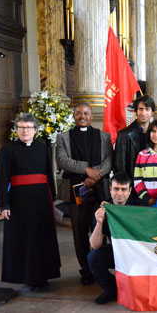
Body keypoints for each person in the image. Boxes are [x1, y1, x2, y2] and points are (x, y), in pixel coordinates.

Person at [0, 113, 60, 290]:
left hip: (41, 200)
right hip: (19, 202)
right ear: (16, 129)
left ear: (36, 130)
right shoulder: (7, 150)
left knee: (42, 237)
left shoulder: (42, 148)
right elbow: (2, 179)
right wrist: (4, 204)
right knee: (25, 239)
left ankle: (44, 275)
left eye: (28, 127)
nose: (24, 131)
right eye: (21, 127)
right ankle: (27, 277)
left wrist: (53, 196)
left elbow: (48, 174)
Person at [56, 103, 113, 285]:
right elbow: (63, 160)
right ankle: (86, 271)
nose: (82, 116)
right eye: (79, 113)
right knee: (79, 233)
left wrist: (93, 176)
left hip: (99, 190)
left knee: (99, 229)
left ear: (91, 116)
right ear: (74, 116)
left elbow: (108, 161)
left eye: (86, 113)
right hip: (75, 192)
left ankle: (99, 268)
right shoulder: (63, 137)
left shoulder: (103, 136)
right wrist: (86, 170)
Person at [88, 173, 143, 305]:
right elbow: (95, 245)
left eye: (123, 189)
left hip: (138, 253)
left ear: (130, 191)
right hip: (116, 251)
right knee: (93, 256)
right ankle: (111, 289)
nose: (119, 193)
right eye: (116, 189)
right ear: (110, 189)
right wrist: (100, 222)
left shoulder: (140, 207)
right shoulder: (104, 209)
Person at [113, 95, 155, 184]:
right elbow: (120, 167)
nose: (143, 113)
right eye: (140, 109)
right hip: (132, 185)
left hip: (153, 185)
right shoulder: (123, 135)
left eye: (147, 109)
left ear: (152, 112)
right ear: (135, 111)